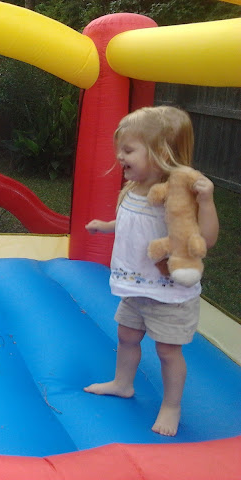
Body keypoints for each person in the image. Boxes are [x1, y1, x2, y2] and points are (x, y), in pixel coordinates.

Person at [83, 106, 219, 436]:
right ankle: (122, 383)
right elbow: (133, 222)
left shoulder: (178, 196)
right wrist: (107, 225)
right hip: (135, 286)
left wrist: (206, 202)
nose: (120, 156)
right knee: (126, 336)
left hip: (169, 294)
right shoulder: (133, 189)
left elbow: (206, 238)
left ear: (162, 153)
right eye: (120, 149)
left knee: (168, 351)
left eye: (128, 150)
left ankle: (171, 406)